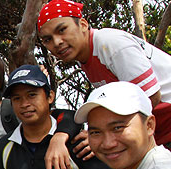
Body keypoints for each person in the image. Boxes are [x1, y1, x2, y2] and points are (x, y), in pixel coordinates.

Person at [37, 0, 171, 149]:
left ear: (83, 24)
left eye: (62, 30)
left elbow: (150, 97)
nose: (57, 42)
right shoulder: (86, 58)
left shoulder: (109, 44)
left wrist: (104, 134)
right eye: (48, 39)